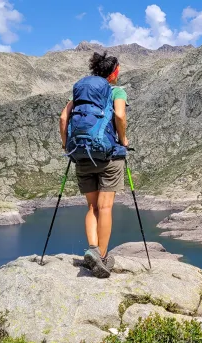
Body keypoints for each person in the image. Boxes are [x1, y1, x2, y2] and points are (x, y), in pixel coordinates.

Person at [59, 52, 128, 278]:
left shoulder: (80, 93)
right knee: (106, 207)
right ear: (114, 72)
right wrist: (124, 140)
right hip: (108, 156)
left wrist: (65, 145)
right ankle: (103, 257)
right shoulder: (116, 91)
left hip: (81, 155)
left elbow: (63, 118)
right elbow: (119, 115)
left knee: (92, 208)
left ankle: (92, 249)